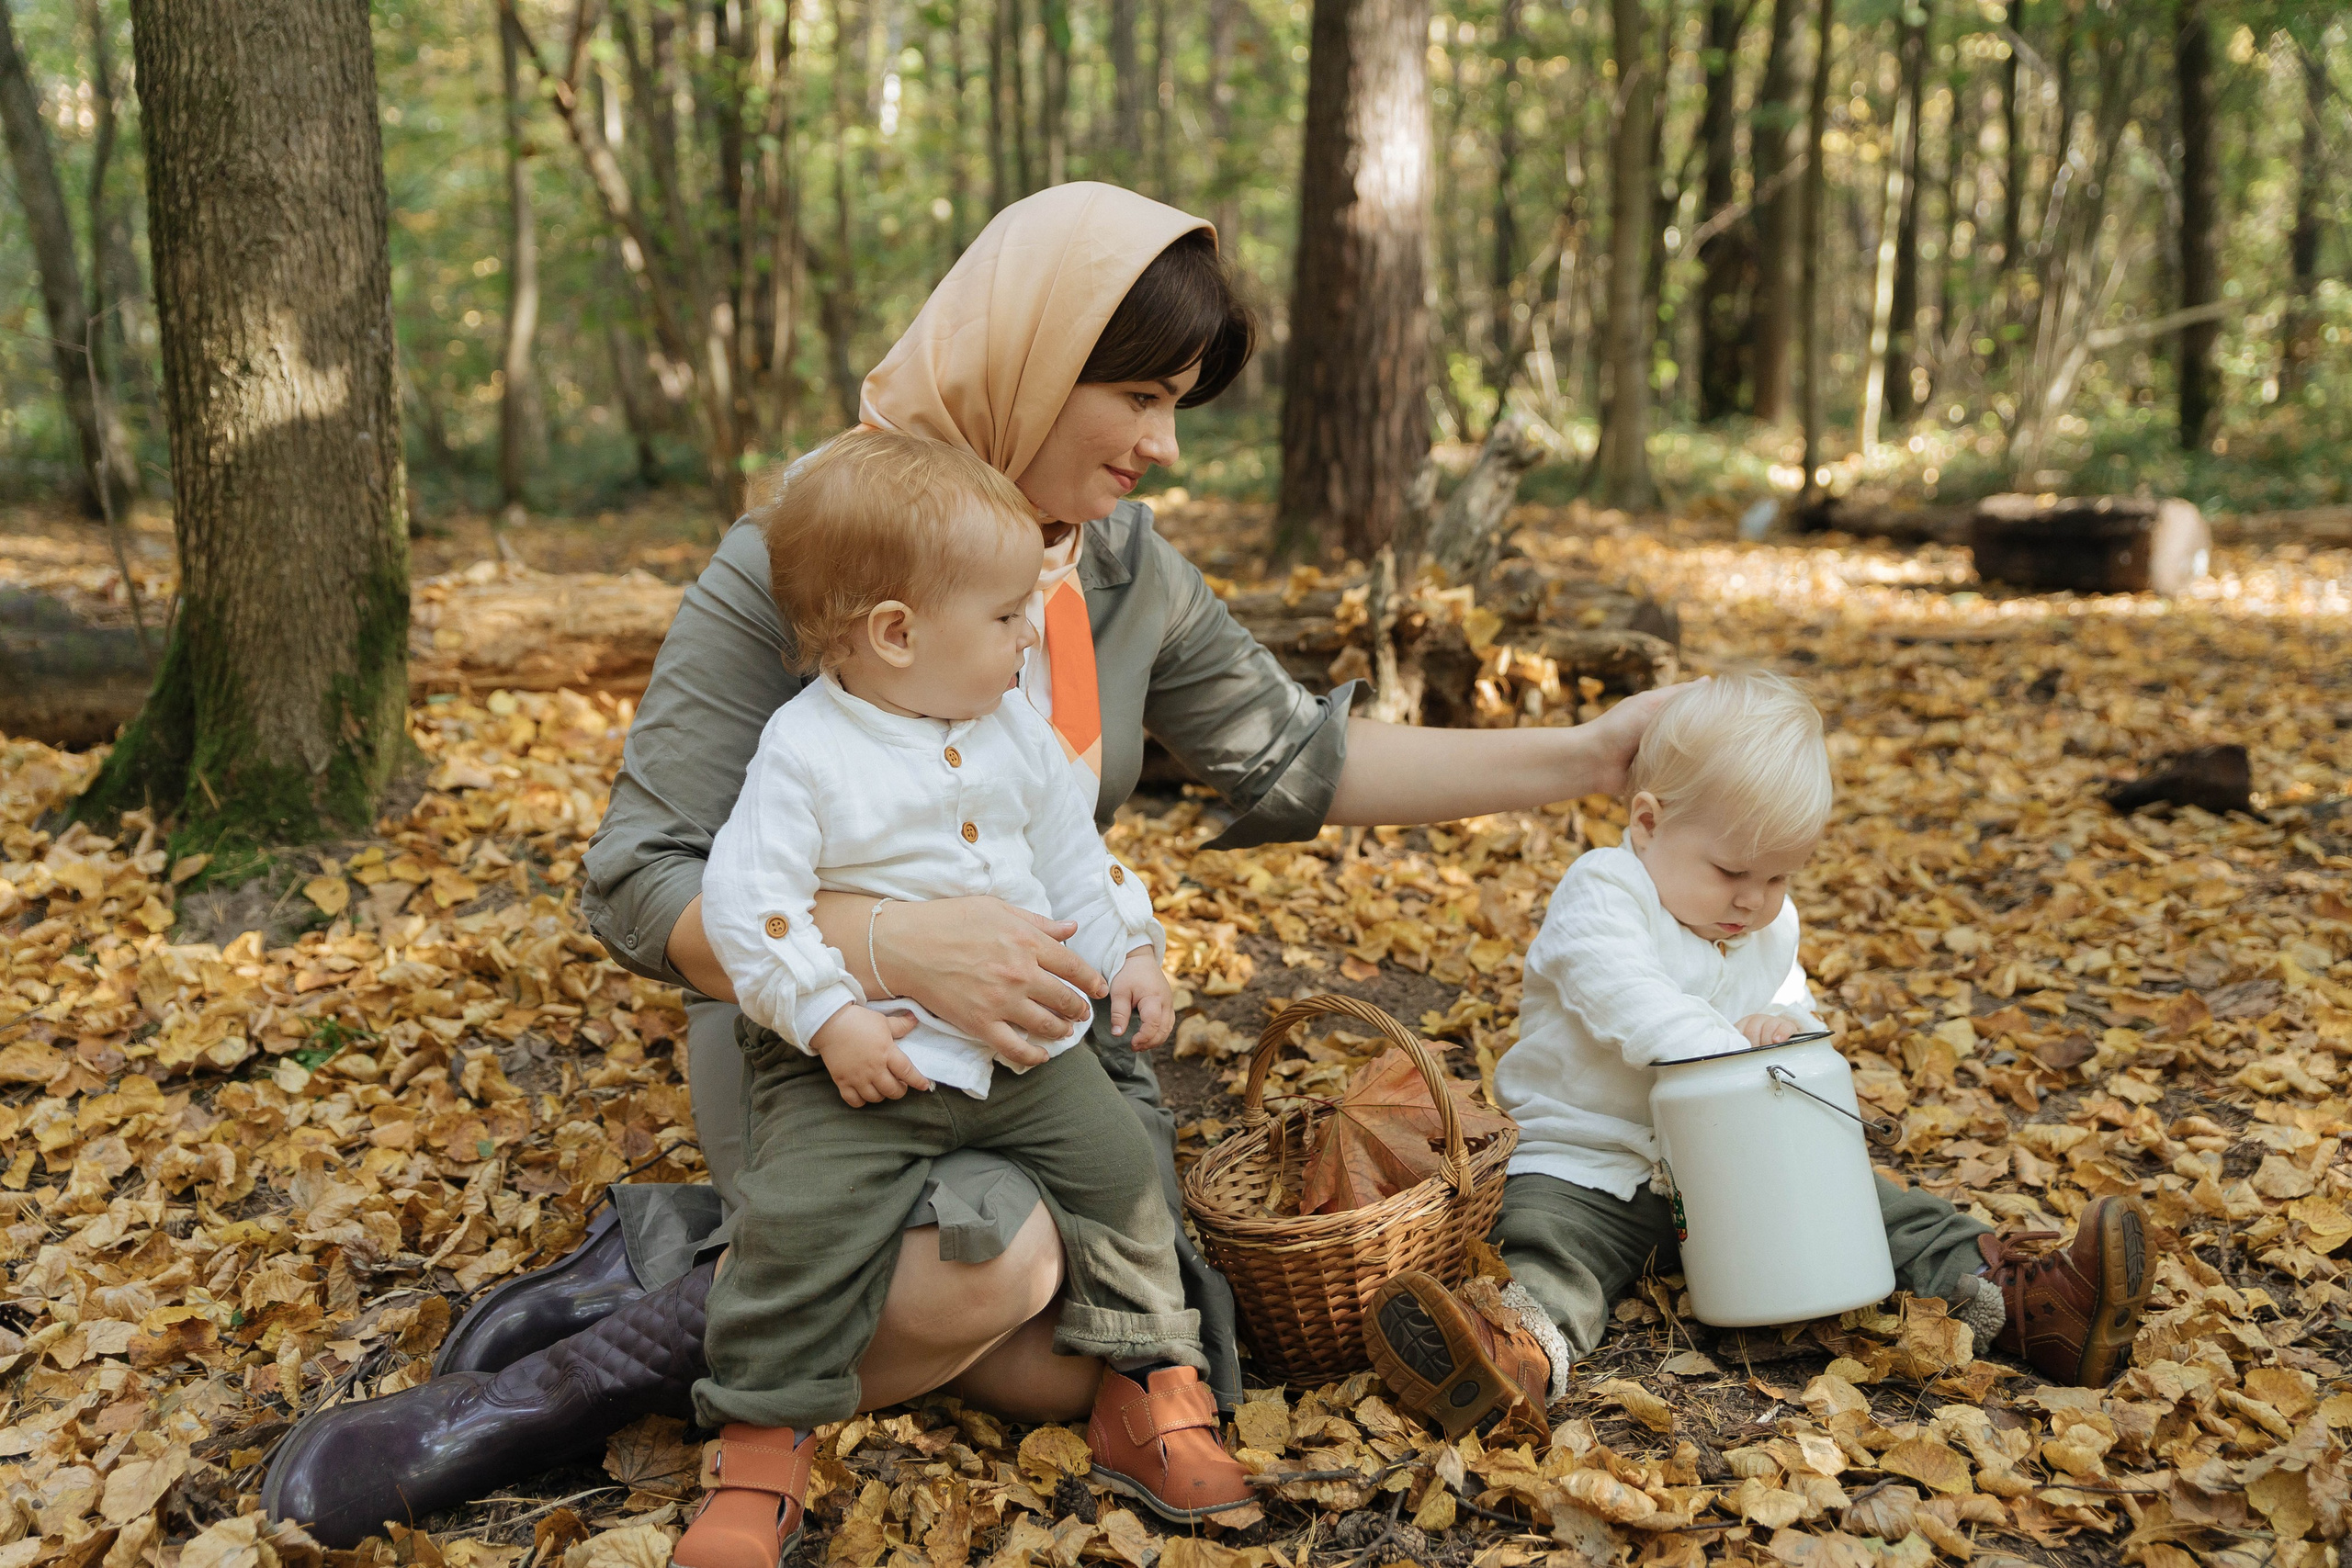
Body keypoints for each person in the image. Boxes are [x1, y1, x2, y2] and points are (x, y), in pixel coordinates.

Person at [263, 183, 1673, 1550]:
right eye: (1139, 396)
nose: (1161, 448)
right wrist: (884, 943)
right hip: (830, 1039)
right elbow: (637, 877)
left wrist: (1594, 754)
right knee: (1001, 1269)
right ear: (1034, 359)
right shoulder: (812, 550)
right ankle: (547, 1398)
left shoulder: (1114, 566)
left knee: (1074, 1363)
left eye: (1176, 404)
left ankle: (678, 1263)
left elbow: (1299, 759)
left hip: (1041, 1045)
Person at [679, 430, 1248, 1568]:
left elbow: (1073, 864)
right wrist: (830, 1017)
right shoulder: (806, 752)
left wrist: (1128, 950)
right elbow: (748, 905)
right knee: (800, 1222)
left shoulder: (1014, 738)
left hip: (1025, 1057)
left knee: (1126, 1182)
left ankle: (1153, 1386)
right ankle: (756, 1444)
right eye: (1001, 618)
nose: (1028, 634)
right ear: (894, 633)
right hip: (862, 1058)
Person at [1363, 672, 2156, 1441]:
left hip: (1735, 1164)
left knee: (1875, 1207)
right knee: (1547, 1249)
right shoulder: (1605, 892)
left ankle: (2030, 1306)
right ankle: (1509, 1357)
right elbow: (1624, 996)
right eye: (1731, 871)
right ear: (1648, 823)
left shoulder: (1768, 926)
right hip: (1587, 1163)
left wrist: (1786, 1034)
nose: (1753, 899)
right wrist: (1733, 1051)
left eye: (1778, 875)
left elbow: (1792, 1010)